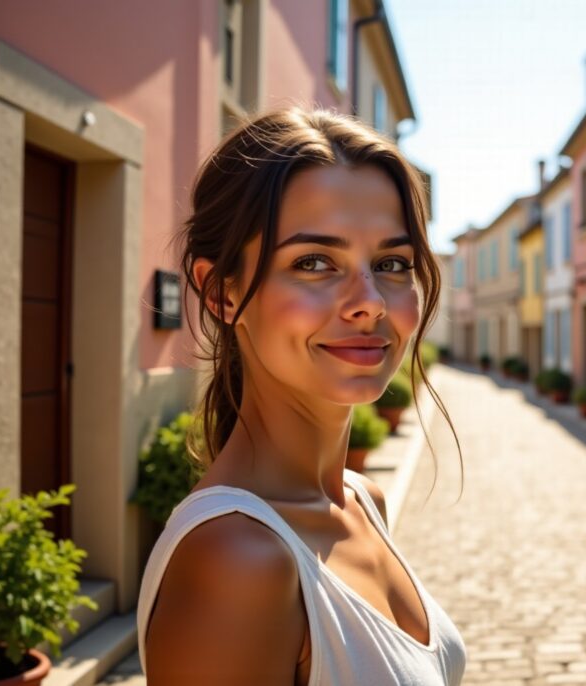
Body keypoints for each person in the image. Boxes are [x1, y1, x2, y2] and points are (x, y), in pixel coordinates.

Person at [136, 106, 467, 685]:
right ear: (222, 295)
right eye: (314, 262)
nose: (370, 302)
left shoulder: (363, 501)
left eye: (392, 263)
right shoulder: (238, 560)